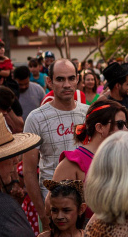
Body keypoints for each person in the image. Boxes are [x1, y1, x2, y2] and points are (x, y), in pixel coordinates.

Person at [23, 59, 89, 225]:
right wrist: (43, 214)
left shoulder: (88, 113)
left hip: (86, 206)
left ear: (77, 80)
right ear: (49, 81)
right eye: (60, 79)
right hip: (53, 208)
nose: (67, 84)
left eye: (71, 78)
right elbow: (29, 171)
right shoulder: (36, 118)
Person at [53, 100, 127, 184]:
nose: (125, 129)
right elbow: (57, 197)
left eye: (126, 124)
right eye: (120, 124)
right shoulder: (72, 163)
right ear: (99, 127)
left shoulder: (122, 156)